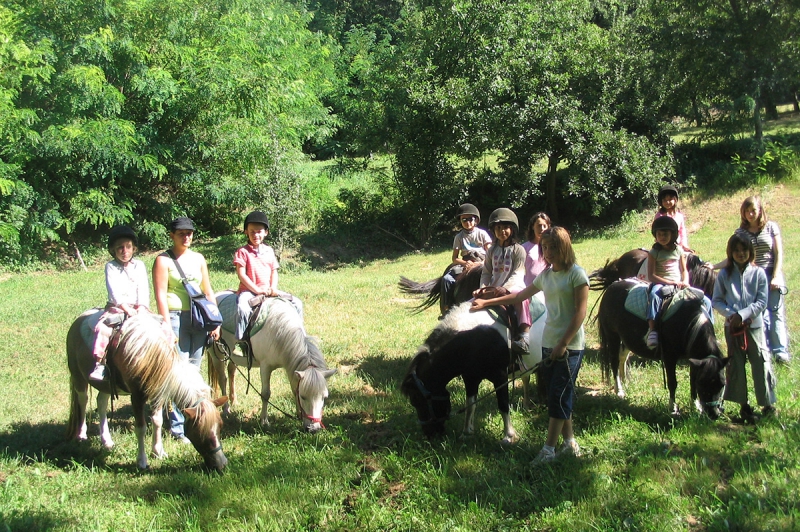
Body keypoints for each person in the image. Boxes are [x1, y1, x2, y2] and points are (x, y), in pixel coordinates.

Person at [472, 226, 589, 463]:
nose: (548, 252)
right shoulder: (546, 276)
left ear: (565, 247)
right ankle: (570, 443)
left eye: (553, 247)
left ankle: (548, 450)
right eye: (545, 247)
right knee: (560, 394)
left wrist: (564, 343)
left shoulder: (577, 275)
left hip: (570, 346)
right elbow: (519, 297)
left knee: (558, 396)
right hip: (549, 342)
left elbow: (580, 313)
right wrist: (487, 302)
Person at [152, 216, 220, 443]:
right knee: (178, 373)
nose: (186, 237)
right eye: (181, 233)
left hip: (198, 318)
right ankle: (178, 427)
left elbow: (207, 290)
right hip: (175, 317)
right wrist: (165, 324)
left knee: (195, 369)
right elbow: (160, 293)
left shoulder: (199, 258)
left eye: (189, 233)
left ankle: (196, 416)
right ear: (172, 235)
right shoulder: (163, 260)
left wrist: (215, 321)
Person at [712, 233, 777, 421]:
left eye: (744, 250)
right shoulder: (724, 274)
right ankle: (743, 404)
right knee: (736, 366)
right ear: (730, 252)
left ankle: (767, 403)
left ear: (751, 252)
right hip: (732, 328)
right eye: (736, 250)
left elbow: (762, 301)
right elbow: (716, 300)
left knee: (760, 363)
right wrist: (732, 315)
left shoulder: (758, 274)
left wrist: (744, 315)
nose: (741, 254)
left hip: (754, 327)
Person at [233, 211, 303, 355]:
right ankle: (241, 340)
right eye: (252, 231)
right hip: (249, 290)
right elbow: (241, 274)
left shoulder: (269, 251)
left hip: (268, 289)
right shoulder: (242, 252)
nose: (255, 235)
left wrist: (273, 288)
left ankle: (300, 335)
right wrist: (256, 290)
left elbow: (274, 271)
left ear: (266, 232)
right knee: (243, 308)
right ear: (246, 231)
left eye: (259, 231)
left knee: (297, 302)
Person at [89, 225, 150, 381]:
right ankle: (100, 364)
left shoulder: (139, 266)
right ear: (113, 250)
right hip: (118, 308)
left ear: (134, 248)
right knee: (104, 329)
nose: (125, 251)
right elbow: (114, 292)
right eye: (120, 248)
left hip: (139, 308)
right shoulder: (111, 267)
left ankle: (167, 361)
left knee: (162, 327)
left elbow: (143, 288)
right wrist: (126, 309)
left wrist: (142, 307)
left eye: (128, 247)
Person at [734, 196, 790, 364]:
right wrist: (713, 267)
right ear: (743, 213)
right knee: (759, 316)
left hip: (772, 274)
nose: (750, 214)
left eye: (753, 210)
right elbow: (734, 257)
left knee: (776, 313)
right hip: (754, 278)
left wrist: (775, 276)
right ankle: (763, 349)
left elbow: (778, 253)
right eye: (747, 211)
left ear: (760, 211)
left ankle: (780, 351)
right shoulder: (740, 233)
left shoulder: (771, 227)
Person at [475, 208, 531, 354]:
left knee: (522, 300)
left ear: (512, 229)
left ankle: (525, 337)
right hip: (494, 287)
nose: (502, 231)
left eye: (505, 227)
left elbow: (518, 272)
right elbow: (486, 272)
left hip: (514, 286)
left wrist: (505, 288)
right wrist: (482, 287)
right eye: (498, 228)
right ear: (493, 230)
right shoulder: (491, 251)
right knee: (473, 302)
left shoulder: (518, 250)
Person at [645, 216, 689, 349]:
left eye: (665, 234)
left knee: (699, 299)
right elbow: (651, 276)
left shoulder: (679, 251)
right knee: (654, 295)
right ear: (655, 235)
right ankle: (653, 330)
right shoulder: (654, 252)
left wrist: (685, 281)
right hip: (661, 283)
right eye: (659, 234)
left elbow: (684, 270)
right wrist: (669, 282)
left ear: (673, 234)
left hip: (678, 283)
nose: (662, 237)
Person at [440, 203, 492, 314]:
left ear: (476, 220)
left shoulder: (482, 234)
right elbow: (455, 258)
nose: (467, 222)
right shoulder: (459, 237)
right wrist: (465, 263)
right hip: (465, 262)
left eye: (470, 219)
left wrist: (480, 264)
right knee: (447, 279)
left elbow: (490, 253)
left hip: (482, 261)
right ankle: (447, 307)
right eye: (464, 220)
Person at [654, 185, 692, 253]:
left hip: (678, 246)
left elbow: (682, 231)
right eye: (665, 200)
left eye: (670, 199)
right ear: (661, 202)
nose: (667, 202)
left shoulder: (679, 216)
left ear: (675, 200)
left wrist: (684, 245)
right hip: (664, 245)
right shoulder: (659, 216)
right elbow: (657, 232)